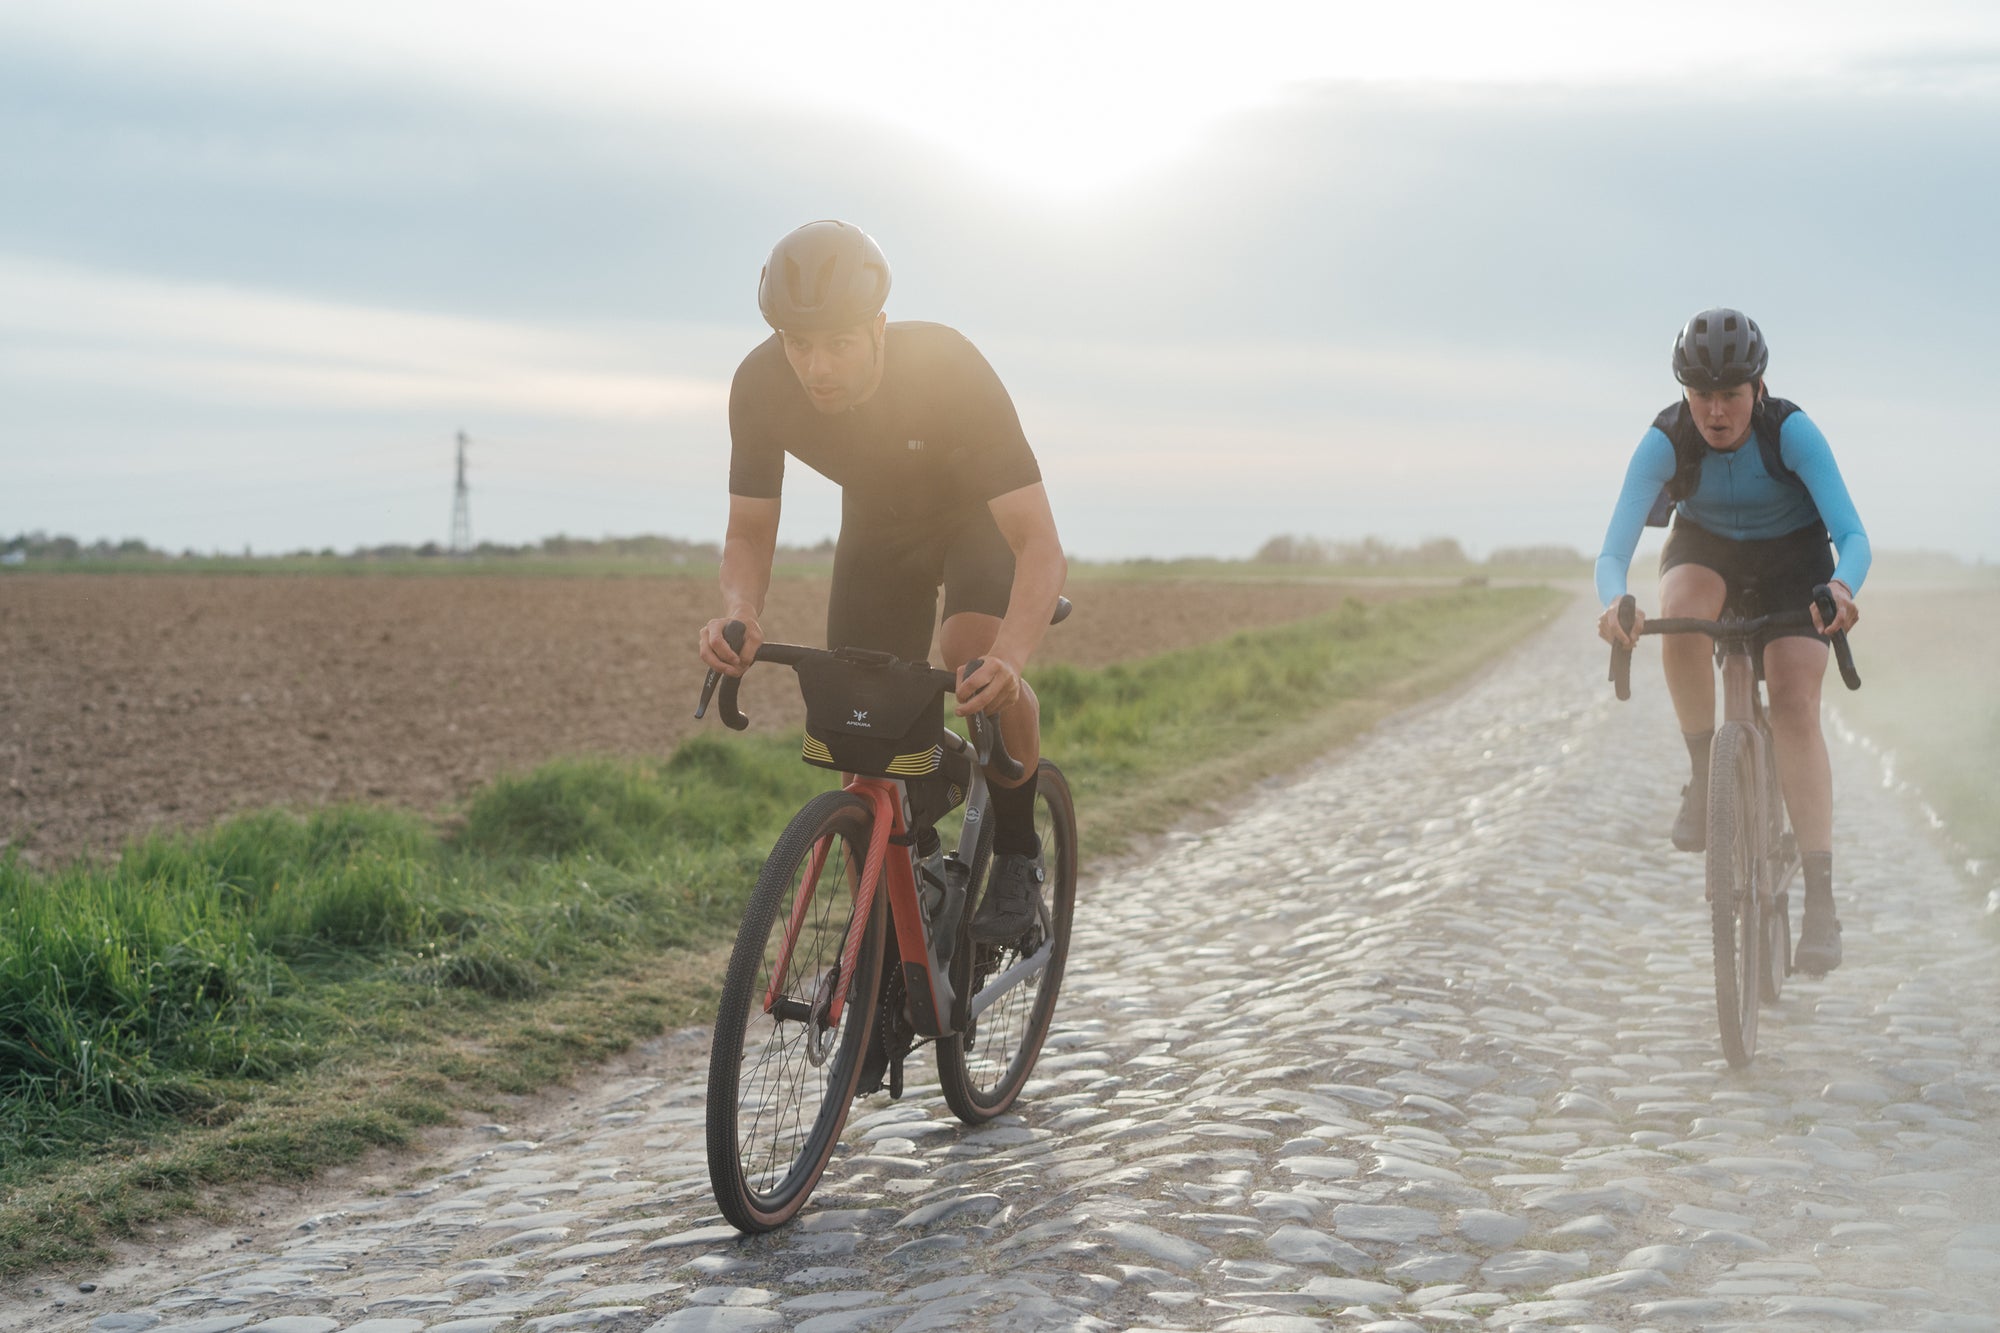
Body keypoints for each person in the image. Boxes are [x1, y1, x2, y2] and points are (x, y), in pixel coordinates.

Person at [698, 220, 1067, 945]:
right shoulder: (762, 384)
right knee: (855, 726)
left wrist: (1011, 658)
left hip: (974, 520)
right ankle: (899, 928)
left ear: (879, 328)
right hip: (879, 527)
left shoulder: (948, 367)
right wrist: (739, 612)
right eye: (798, 344)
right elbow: (747, 531)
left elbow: (1039, 544)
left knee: (970, 651)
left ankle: (1020, 853)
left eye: (837, 342)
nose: (816, 367)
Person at [1595, 308, 1868, 975]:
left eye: (1731, 394)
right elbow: (1613, 554)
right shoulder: (1666, 440)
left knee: (1797, 702)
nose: (1716, 411)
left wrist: (1841, 588)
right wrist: (1615, 604)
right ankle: (1702, 774)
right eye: (1702, 394)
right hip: (1707, 550)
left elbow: (1853, 536)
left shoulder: (1791, 432)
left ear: (1759, 386)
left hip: (1793, 559)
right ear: (1684, 391)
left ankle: (1821, 900)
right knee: (1679, 607)